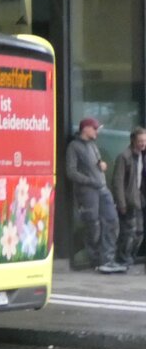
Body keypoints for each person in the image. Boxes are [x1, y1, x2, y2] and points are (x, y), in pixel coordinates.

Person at [66, 117, 122, 273]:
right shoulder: (74, 146)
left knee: (112, 220)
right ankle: (97, 260)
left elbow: (97, 163)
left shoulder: (93, 145)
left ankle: (108, 260)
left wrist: (101, 165)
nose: (97, 131)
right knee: (93, 225)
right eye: (95, 128)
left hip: (102, 188)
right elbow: (71, 172)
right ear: (86, 129)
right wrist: (90, 180)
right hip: (88, 192)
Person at [112, 127, 146, 268]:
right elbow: (117, 182)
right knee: (127, 232)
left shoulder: (142, 156)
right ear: (133, 140)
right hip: (128, 201)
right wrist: (121, 203)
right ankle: (123, 259)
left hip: (139, 200)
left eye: (144, 140)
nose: (142, 143)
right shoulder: (124, 157)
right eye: (140, 141)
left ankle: (130, 257)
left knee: (139, 232)